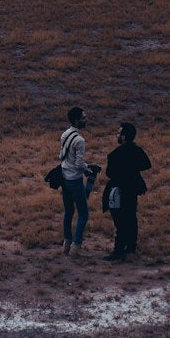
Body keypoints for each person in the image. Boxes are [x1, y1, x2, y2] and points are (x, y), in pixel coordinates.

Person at [102, 122, 151, 261]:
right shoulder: (137, 151)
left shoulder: (115, 154)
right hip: (132, 188)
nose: (117, 135)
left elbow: (109, 173)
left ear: (123, 137)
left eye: (118, 133)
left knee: (119, 220)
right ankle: (130, 247)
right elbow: (146, 164)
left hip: (118, 189)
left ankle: (119, 250)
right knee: (131, 217)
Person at [59, 107, 97, 256]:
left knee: (68, 212)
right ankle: (76, 245)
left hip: (64, 178)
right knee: (83, 214)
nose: (86, 120)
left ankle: (66, 243)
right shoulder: (80, 140)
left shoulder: (65, 134)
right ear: (76, 121)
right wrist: (89, 170)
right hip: (75, 179)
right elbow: (79, 164)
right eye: (83, 118)